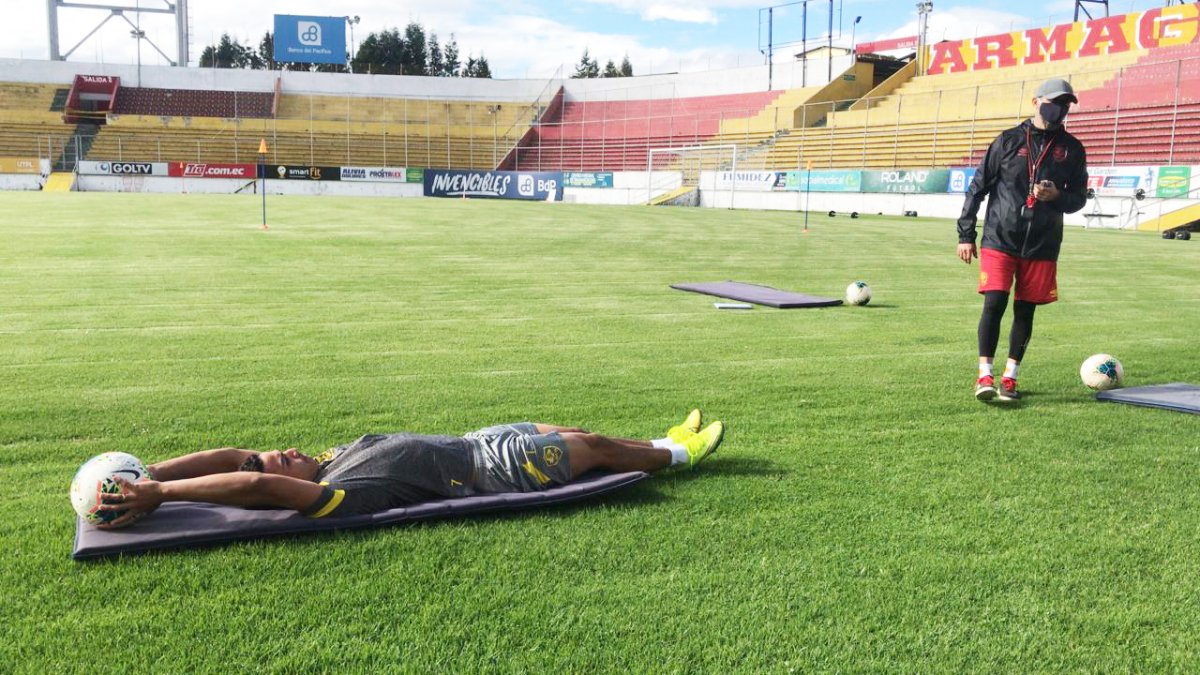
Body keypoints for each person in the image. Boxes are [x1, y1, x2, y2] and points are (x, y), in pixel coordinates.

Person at [94, 411, 724, 527]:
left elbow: (238, 459)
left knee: (567, 427)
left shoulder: (330, 461)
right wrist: (159, 494)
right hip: (489, 471)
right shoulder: (343, 491)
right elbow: (254, 481)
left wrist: (148, 470)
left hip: (474, 440)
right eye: (279, 462)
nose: (275, 452)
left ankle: (656, 439)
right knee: (588, 448)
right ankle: (678, 455)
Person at [956, 78, 1089, 403]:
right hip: (1000, 237)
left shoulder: (1072, 149)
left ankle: (1010, 379)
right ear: (1036, 102)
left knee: (1025, 311)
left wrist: (1057, 195)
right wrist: (965, 233)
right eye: (1055, 102)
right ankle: (984, 375)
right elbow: (978, 187)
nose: (1061, 109)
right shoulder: (1008, 140)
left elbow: (1079, 199)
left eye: (1066, 104)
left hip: (1042, 244)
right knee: (995, 303)